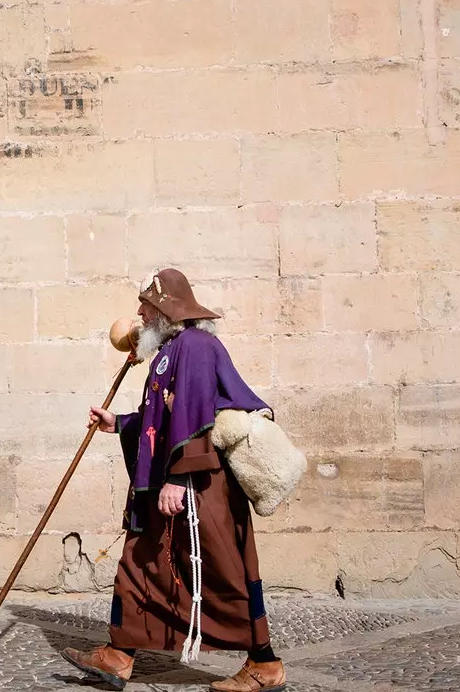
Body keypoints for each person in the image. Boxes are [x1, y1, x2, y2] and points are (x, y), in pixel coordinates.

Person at [59, 269, 287, 692]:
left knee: (222, 571)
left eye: (145, 305)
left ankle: (264, 663)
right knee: (141, 562)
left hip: (199, 486)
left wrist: (179, 479)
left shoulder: (196, 347)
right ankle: (118, 654)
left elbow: (196, 414)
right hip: (170, 482)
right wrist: (121, 423)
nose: (139, 313)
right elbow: (161, 420)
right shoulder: (172, 350)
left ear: (166, 308)